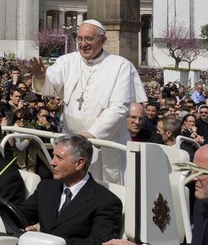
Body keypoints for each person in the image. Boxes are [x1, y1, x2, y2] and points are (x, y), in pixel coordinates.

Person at [29, 19, 147, 183]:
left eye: (89, 39)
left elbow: (119, 107)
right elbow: (50, 87)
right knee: (72, 186)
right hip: (73, 140)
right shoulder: (67, 61)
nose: (83, 44)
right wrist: (40, 76)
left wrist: (92, 134)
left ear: (103, 41)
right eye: (80, 39)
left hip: (105, 142)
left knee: (106, 188)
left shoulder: (121, 66)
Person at [17, 134, 123, 245]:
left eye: (59, 157)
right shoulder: (46, 187)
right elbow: (21, 215)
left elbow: (100, 244)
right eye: (53, 156)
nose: (52, 162)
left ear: (79, 163)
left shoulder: (106, 202)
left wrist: (46, 241)